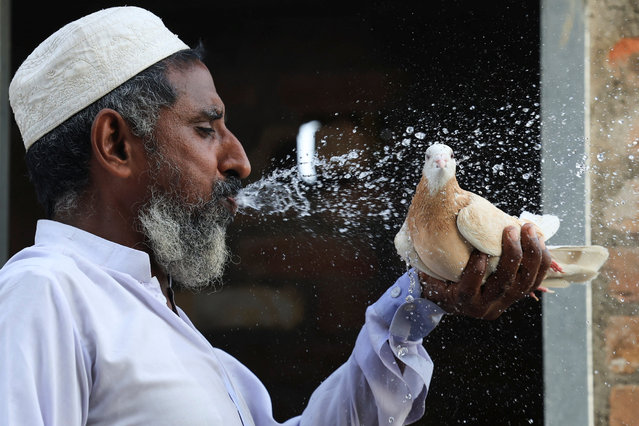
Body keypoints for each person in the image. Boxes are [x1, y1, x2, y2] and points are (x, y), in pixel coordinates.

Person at [0, 6, 550, 425]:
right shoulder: (45, 293)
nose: (237, 159)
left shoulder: (155, 316)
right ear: (117, 144)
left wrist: (420, 299)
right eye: (204, 128)